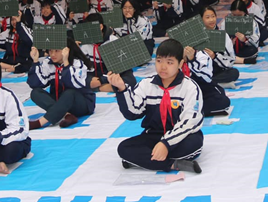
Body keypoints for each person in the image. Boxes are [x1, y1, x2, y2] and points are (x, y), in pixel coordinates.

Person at [109, 39, 204, 173]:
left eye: (169, 62)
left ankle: (145, 160)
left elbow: (190, 123)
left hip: (181, 137)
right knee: (124, 148)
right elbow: (132, 112)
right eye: (159, 61)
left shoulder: (190, 87)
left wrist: (166, 143)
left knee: (193, 144)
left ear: (180, 63)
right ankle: (173, 164)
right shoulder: (146, 84)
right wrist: (122, 89)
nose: (163, 67)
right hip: (154, 135)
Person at [27, 38, 95, 129]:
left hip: (80, 103)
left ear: (66, 50)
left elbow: (73, 84)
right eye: (50, 51)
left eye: (57, 51)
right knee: (35, 92)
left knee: (69, 93)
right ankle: (67, 115)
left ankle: (40, 122)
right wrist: (35, 61)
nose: (53, 54)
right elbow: (36, 83)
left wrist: (66, 63)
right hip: (60, 102)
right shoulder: (48, 63)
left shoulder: (77, 63)